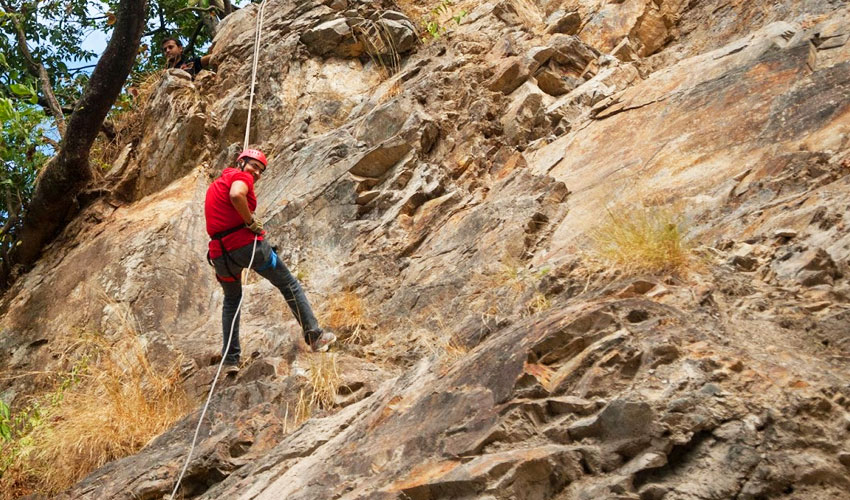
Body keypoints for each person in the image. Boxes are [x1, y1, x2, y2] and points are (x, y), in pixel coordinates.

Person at [204, 148, 336, 374]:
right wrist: (250, 222)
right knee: (288, 284)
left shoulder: (215, 186)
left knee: (232, 301)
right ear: (241, 162)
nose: (256, 173)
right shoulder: (240, 176)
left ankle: (230, 359)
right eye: (254, 165)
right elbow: (237, 195)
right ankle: (315, 336)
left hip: (220, 255)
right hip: (247, 247)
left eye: (261, 170)